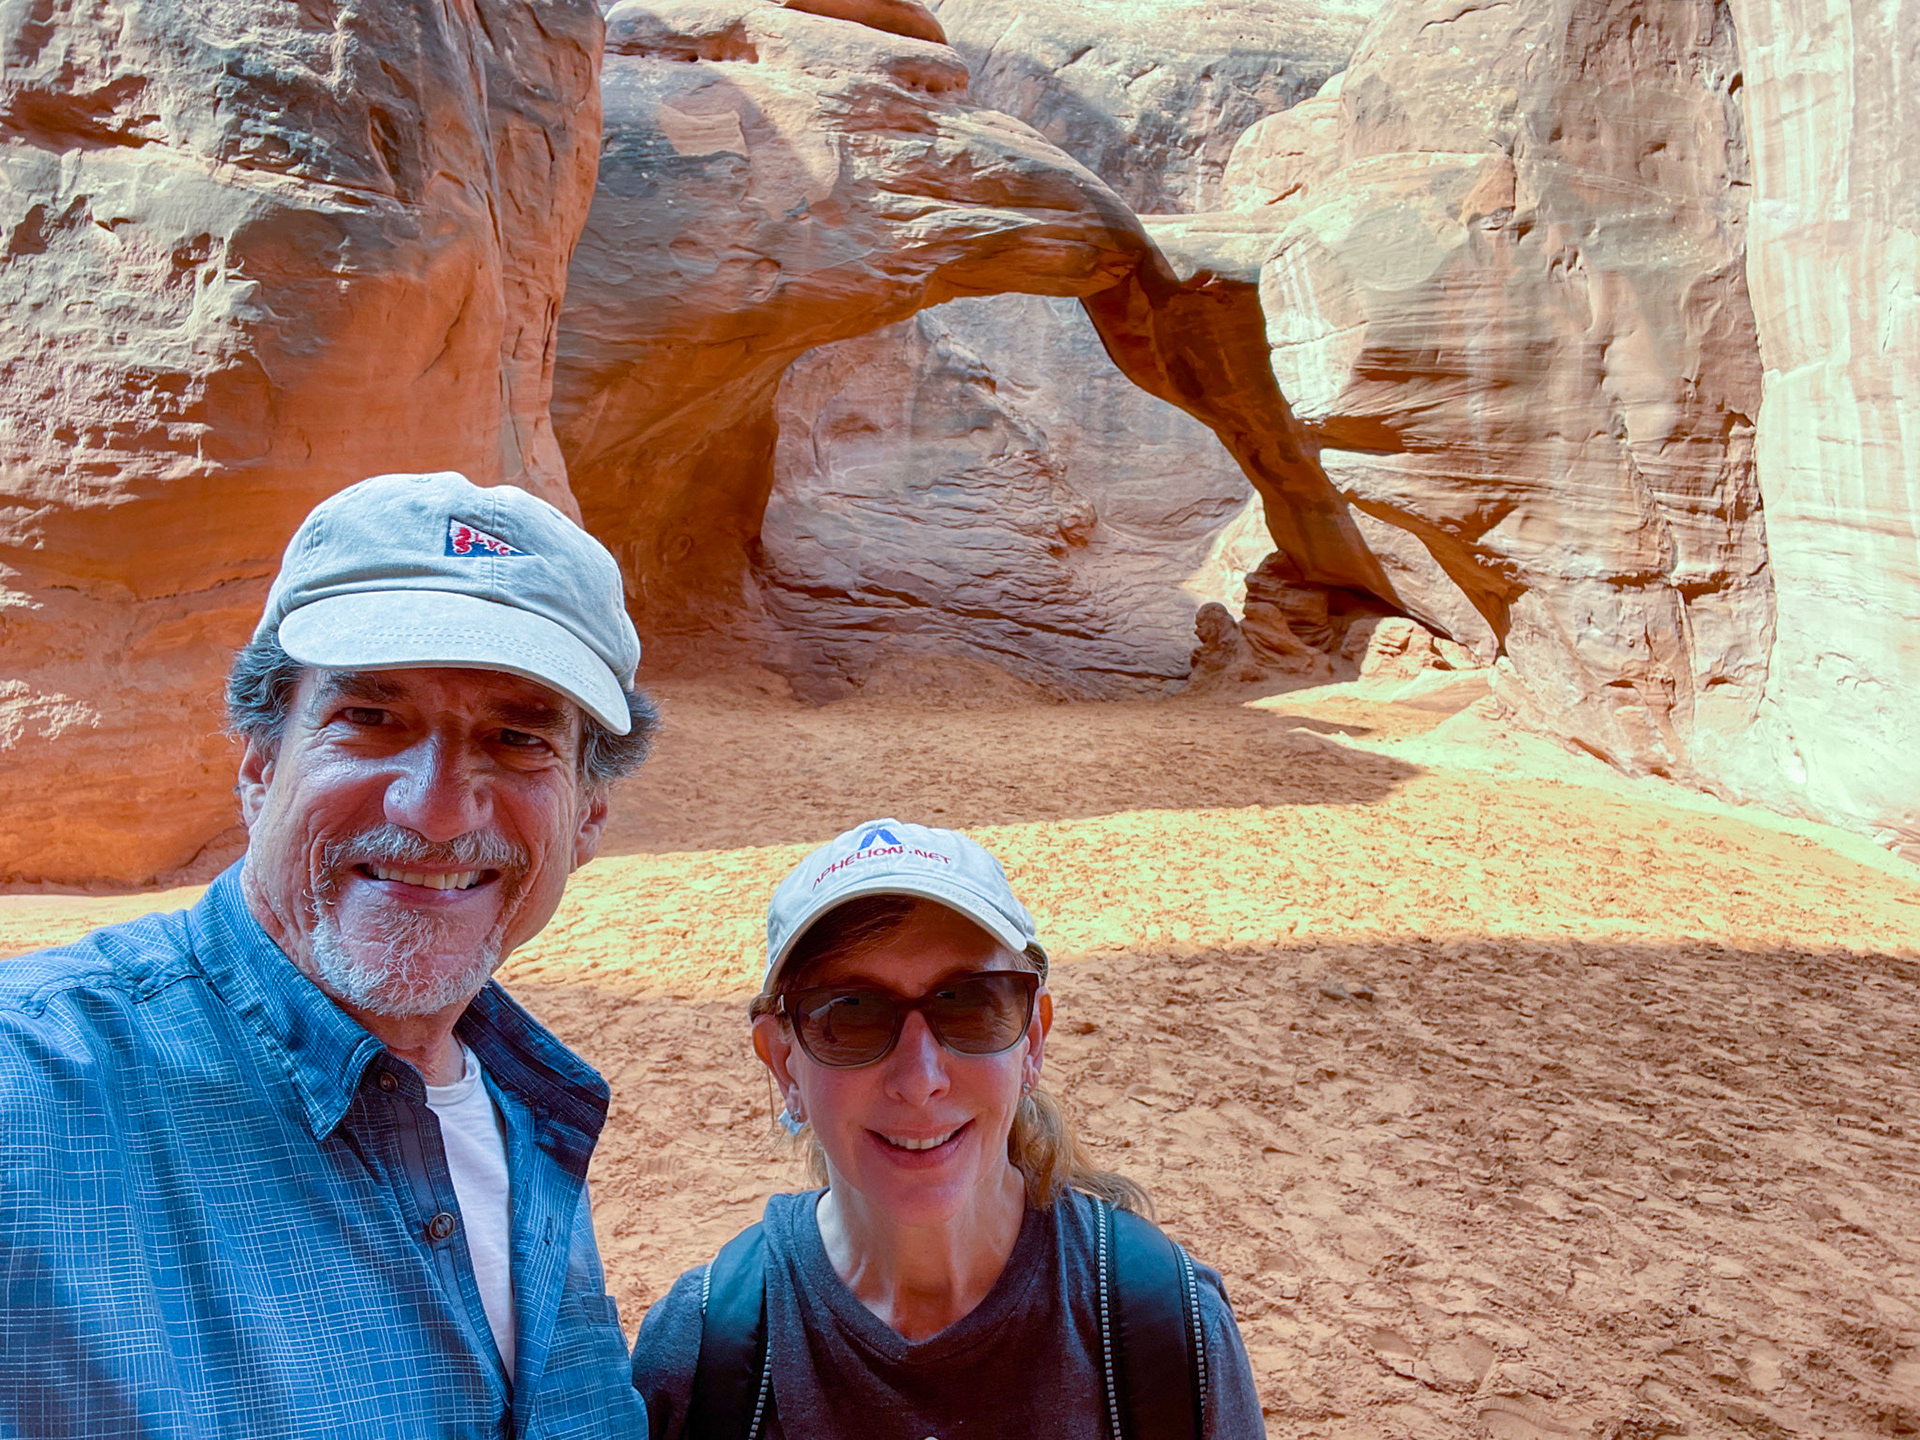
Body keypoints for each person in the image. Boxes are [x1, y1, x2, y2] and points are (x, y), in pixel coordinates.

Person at [0, 472, 654, 1438]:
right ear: (261, 763)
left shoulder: (526, 1105)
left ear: (589, 813)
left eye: (518, 738)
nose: (435, 810)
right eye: (371, 719)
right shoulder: (29, 1088)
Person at [630, 819, 1266, 1438]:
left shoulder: (1167, 1333)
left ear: (1032, 1041)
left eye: (968, 1004)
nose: (920, 1079)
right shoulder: (700, 1354)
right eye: (851, 1013)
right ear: (783, 1062)